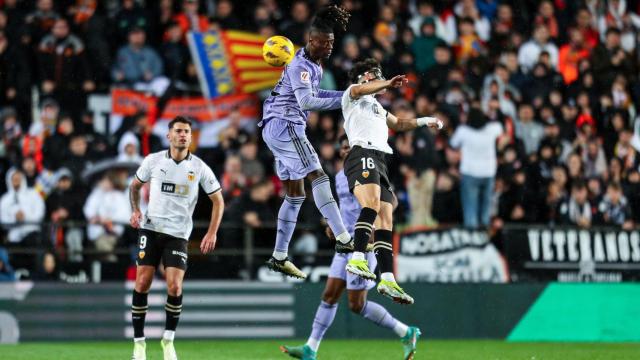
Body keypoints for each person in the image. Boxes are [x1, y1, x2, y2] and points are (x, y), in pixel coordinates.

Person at [281, 136, 421, 360]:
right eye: (344, 148)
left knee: (357, 304)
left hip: (364, 246)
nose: (347, 151)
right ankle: (311, 348)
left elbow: (391, 201)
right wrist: (333, 225)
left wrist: (379, 223)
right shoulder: (338, 176)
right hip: (345, 244)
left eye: (351, 147)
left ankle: (405, 332)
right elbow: (345, 207)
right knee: (329, 295)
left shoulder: (370, 171)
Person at [259, 5, 353, 279]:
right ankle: (343, 237)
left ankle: (279, 256)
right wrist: (347, 99)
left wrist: (348, 95)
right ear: (312, 41)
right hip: (286, 125)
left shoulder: (312, 62)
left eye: (332, 43)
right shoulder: (301, 65)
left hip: (275, 127)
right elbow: (307, 101)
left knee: (296, 193)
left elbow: (317, 92)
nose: (330, 47)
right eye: (325, 43)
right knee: (318, 174)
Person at [341, 58, 443, 304]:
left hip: (380, 158)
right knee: (372, 204)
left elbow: (398, 123)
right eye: (376, 75)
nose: (380, 78)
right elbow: (360, 89)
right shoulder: (352, 95)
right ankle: (357, 259)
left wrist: (423, 120)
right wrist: (386, 82)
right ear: (365, 77)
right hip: (362, 152)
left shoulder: (376, 106)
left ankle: (386, 278)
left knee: (386, 217)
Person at [128, 116, 224, 360]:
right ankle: (139, 344)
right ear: (169, 136)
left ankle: (168, 340)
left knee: (175, 286)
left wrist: (211, 232)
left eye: (187, 132)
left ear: (191, 137)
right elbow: (134, 186)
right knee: (142, 283)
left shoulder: (200, 167)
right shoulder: (153, 160)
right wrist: (136, 210)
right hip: (150, 229)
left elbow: (218, 201)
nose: (183, 135)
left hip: (178, 234)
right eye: (178, 131)